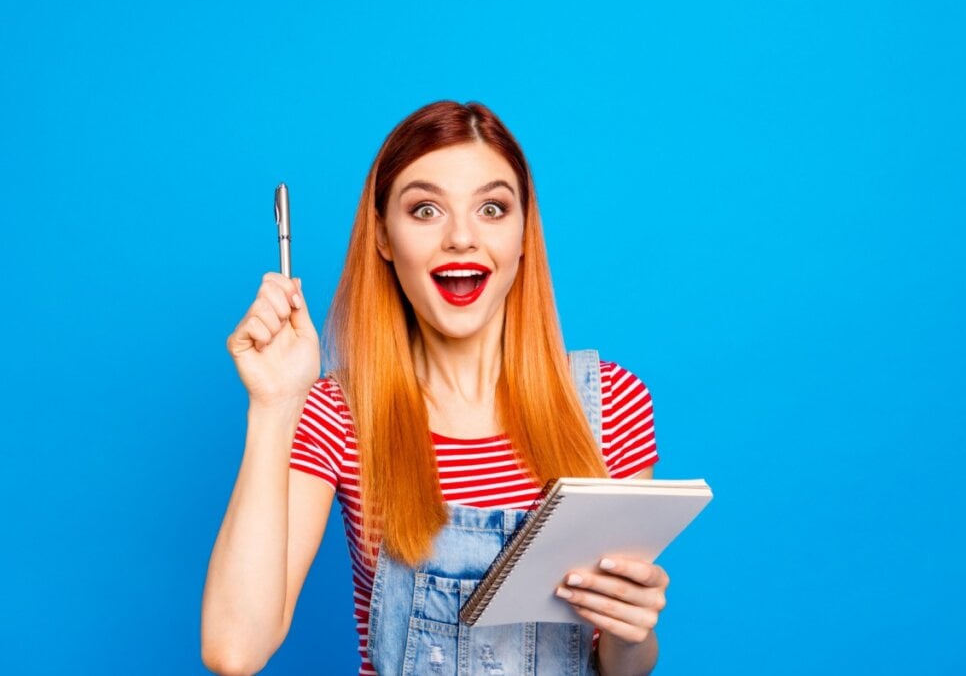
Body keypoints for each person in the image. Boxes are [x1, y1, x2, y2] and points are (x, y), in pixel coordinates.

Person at [201, 101, 667, 676]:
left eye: (492, 208)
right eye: (425, 210)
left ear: (523, 234)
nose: (461, 238)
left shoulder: (610, 403)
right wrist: (274, 405)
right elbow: (233, 649)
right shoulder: (339, 414)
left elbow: (623, 664)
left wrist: (631, 633)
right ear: (384, 238)